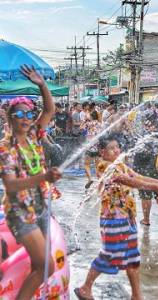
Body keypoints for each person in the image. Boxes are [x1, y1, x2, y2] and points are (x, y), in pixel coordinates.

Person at [74, 135, 158, 300]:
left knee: (133, 256)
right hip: (113, 219)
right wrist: (155, 187)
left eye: (117, 147)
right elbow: (128, 181)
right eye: (112, 148)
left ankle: (137, 295)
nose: (117, 150)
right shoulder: (104, 166)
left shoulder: (120, 164)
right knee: (109, 254)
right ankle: (85, 288)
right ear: (103, 152)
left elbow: (137, 177)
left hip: (128, 217)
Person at [0, 66, 62, 300]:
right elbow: (12, 186)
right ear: (10, 117)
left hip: (41, 207)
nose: (26, 119)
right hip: (20, 213)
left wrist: (41, 84)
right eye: (20, 114)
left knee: (39, 267)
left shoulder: (35, 134)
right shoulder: (4, 148)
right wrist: (44, 177)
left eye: (29, 114)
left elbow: (49, 109)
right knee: (46, 267)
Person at [133, 116, 158, 227]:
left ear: (154, 126)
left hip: (143, 171)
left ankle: (146, 219)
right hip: (156, 170)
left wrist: (135, 170)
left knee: (145, 196)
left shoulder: (145, 138)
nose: (148, 127)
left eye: (149, 125)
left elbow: (137, 154)